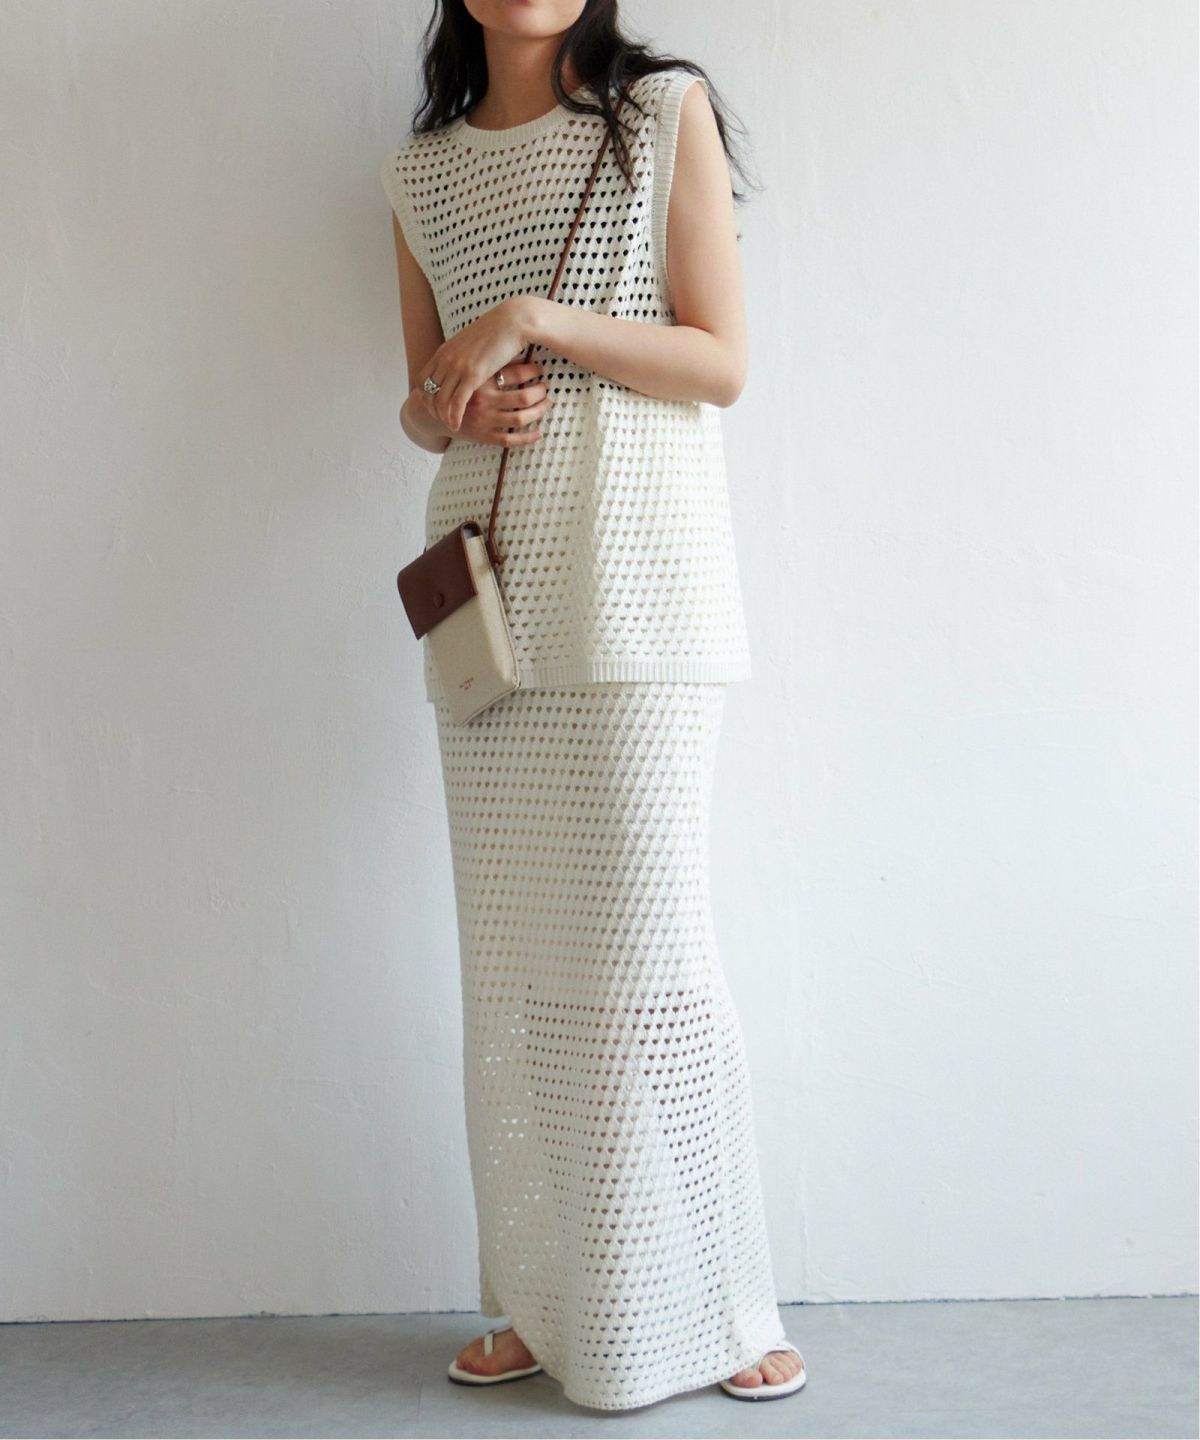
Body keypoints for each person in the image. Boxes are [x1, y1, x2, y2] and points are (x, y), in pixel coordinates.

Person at [380, 0, 806, 1412]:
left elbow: (720, 362)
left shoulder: (662, 113)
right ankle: (535, 1298)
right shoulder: (419, 170)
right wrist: (454, 408)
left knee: (649, 963)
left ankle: (726, 1303)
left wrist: (531, 321)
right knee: (512, 970)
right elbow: (416, 405)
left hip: (643, 592)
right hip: (492, 605)